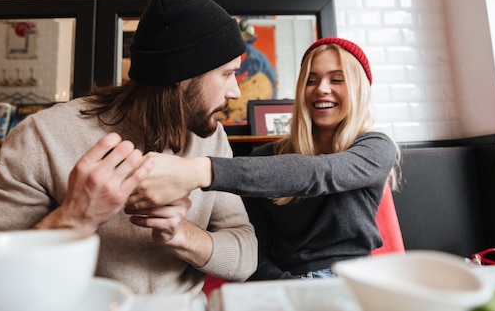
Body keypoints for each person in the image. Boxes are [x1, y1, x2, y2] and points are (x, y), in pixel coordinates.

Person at [0, 0, 258, 296]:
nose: (236, 92)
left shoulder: (211, 139)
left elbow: (244, 257)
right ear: (183, 76)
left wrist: (179, 234)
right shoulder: (43, 137)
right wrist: (75, 217)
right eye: (227, 74)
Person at [127, 37, 400, 279]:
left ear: (358, 89)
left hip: (355, 283)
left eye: (336, 79)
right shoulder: (266, 158)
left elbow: (319, 173)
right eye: (311, 80)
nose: (321, 89)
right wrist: (292, 288)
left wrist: (198, 171)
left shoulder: (376, 147)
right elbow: (255, 253)